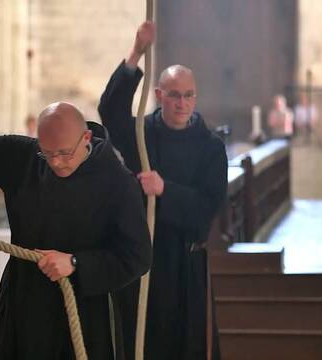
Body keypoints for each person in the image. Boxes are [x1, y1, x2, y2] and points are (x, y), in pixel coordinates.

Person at [0, 50, 152, 360]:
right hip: (23, 302)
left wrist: (76, 263)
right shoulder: (26, 159)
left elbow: (137, 256)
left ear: (86, 138)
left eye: (64, 154)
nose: (55, 163)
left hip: (84, 307)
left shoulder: (116, 180)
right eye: (47, 153)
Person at [98, 21, 228, 360]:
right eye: (173, 95)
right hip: (143, 256)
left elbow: (207, 208)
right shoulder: (142, 133)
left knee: (186, 345)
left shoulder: (210, 147)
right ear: (159, 96)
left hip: (184, 263)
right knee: (141, 341)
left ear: (195, 97)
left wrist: (164, 190)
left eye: (188, 96)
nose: (181, 104)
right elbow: (110, 110)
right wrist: (137, 51)